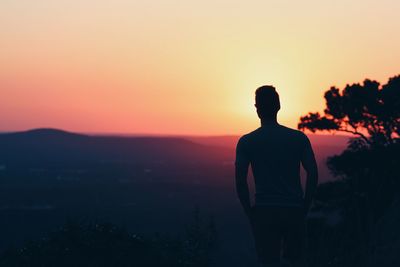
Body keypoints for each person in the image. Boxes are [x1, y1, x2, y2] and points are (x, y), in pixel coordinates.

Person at [235, 85, 318, 267]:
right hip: (294, 209)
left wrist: (250, 212)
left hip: (264, 211)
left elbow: (240, 181)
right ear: (278, 106)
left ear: (257, 108)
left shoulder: (247, 141)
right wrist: (305, 205)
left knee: (268, 262)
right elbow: (312, 172)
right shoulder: (299, 138)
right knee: (297, 261)